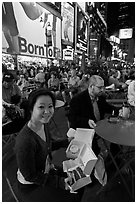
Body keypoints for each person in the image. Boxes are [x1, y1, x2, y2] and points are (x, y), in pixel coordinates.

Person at [15, 88, 80, 202]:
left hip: (46, 170)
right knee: (72, 196)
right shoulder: (25, 140)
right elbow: (30, 176)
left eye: (50, 106)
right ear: (31, 109)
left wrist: (66, 141)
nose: (47, 111)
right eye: (41, 107)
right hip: (31, 186)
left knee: (78, 182)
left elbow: (47, 145)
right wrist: (58, 182)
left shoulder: (43, 124)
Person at [68, 75, 118, 156]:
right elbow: (72, 118)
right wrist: (86, 121)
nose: (102, 90)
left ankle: (114, 161)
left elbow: (108, 107)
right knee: (93, 150)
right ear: (91, 86)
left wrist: (119, 110)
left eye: (103, 87)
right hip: (85, 129)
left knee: (117, 135)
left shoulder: (100, 97)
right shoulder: (78, 99)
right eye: (100, 87)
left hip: (99, 127)